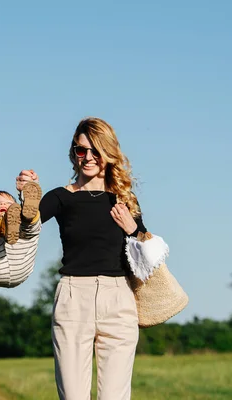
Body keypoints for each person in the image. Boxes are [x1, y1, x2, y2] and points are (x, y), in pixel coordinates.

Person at [17, 117, 147, 400]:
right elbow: (26, 224)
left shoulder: (125, 199)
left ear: (108, 153)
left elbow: (148, 258)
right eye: (80, 150)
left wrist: (133, 228)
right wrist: (28, 192)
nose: (87, 157)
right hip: (74, 297)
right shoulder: (61, 197)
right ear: (73, 154)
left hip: (119, 299)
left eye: (95, 151)